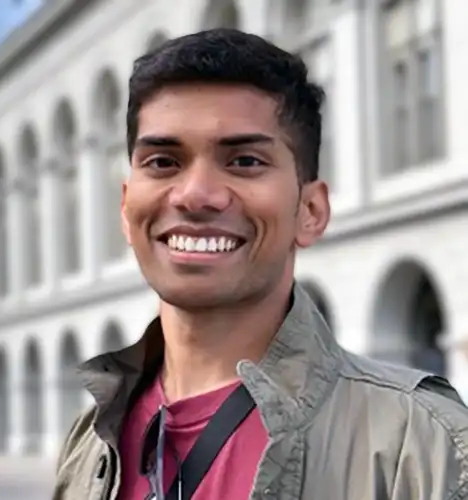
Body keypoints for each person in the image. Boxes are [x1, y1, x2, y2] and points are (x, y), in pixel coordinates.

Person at [52, 29, 468, 500]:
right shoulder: (89, 441)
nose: (195, 195)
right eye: (164, 162)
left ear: (310, 211)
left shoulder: (424, 446)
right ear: (127, 210)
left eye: (245, 160)